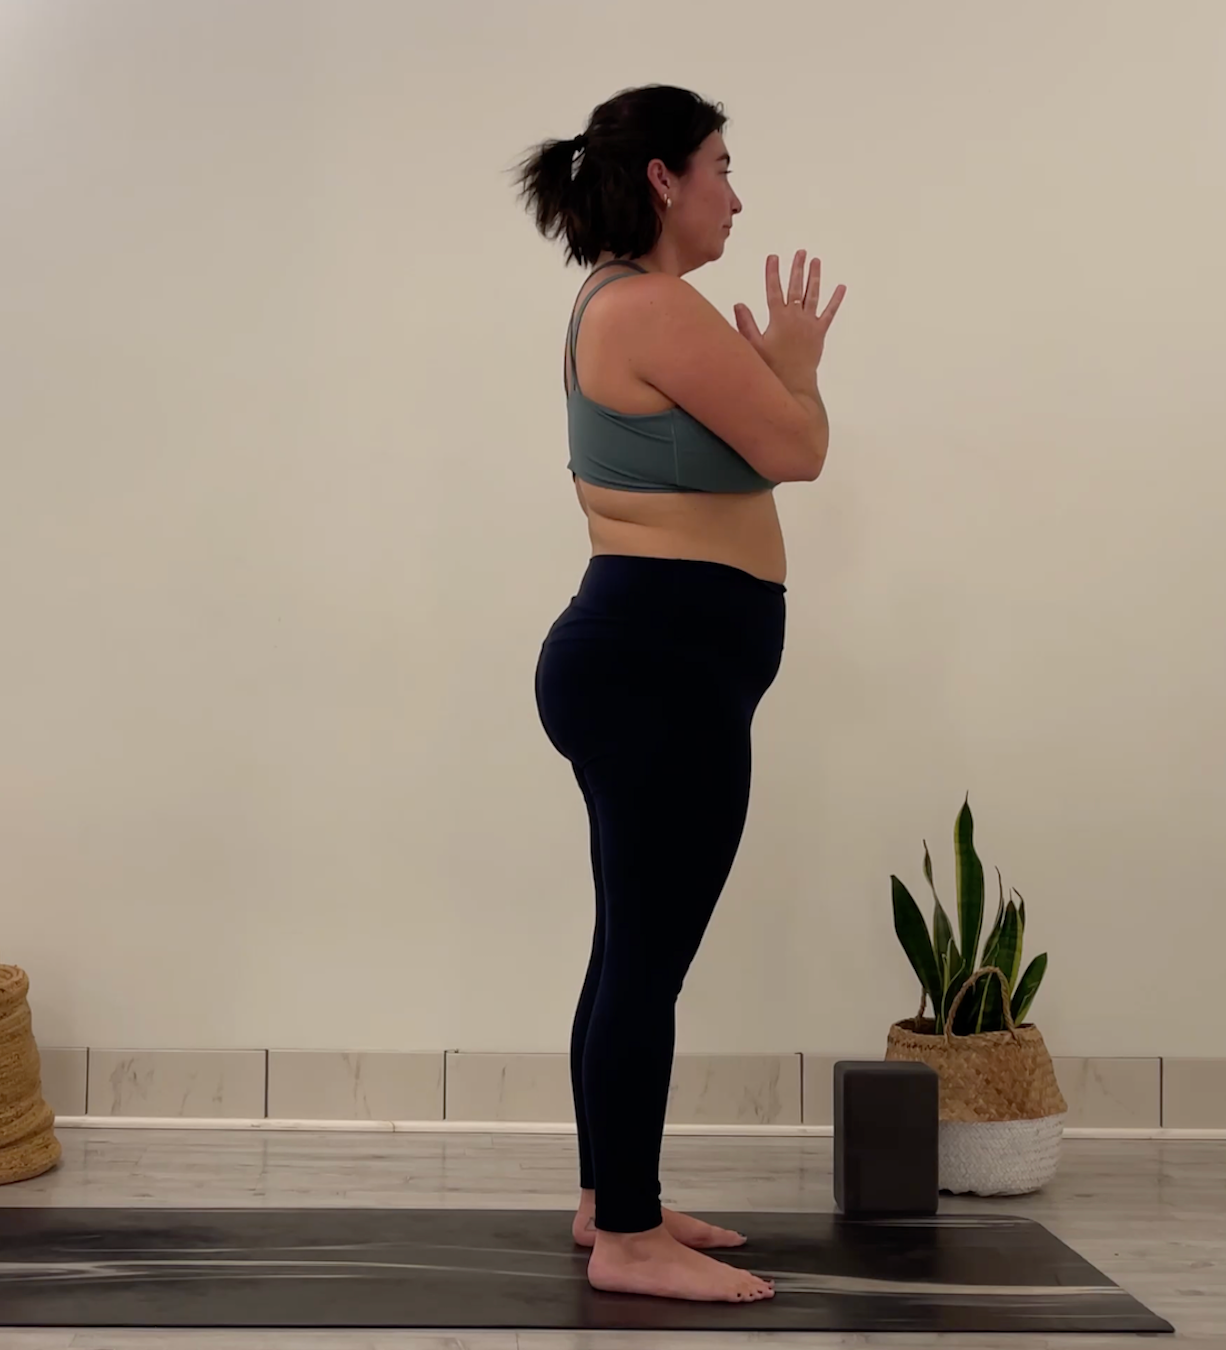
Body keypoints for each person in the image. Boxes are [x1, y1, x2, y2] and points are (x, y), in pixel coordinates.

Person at [513, 84, 846, 1304]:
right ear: (663, 178)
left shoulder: (617, 303)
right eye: (718, 166)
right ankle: (628, 1243)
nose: (735, 195)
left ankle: (614, 1200)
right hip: (658, 661)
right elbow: (798, 450)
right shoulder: (654, 304)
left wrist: (768, 375)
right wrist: (796, 368)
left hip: (650, 657)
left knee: (629, 948)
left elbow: (742, 451)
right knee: (646, 960)